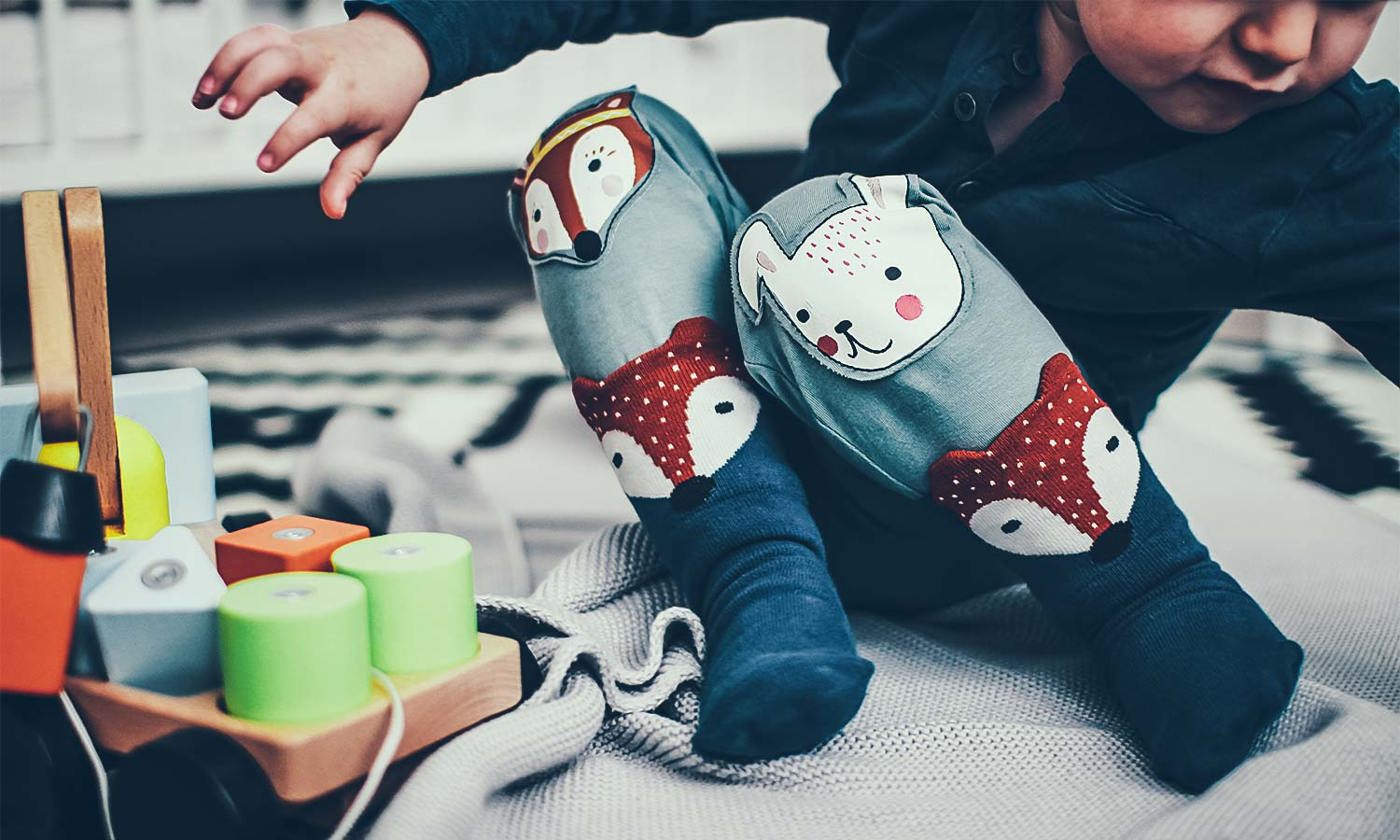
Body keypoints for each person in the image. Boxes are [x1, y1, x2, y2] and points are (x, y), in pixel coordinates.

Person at [192, 1, 1397, 793]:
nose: (1286, 40)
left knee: (841, 233)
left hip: (980, 518)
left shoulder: (1323, 157)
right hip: (734, 439)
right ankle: (760, 582)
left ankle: (1155, 602)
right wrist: (404, 41)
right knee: (594, 155)